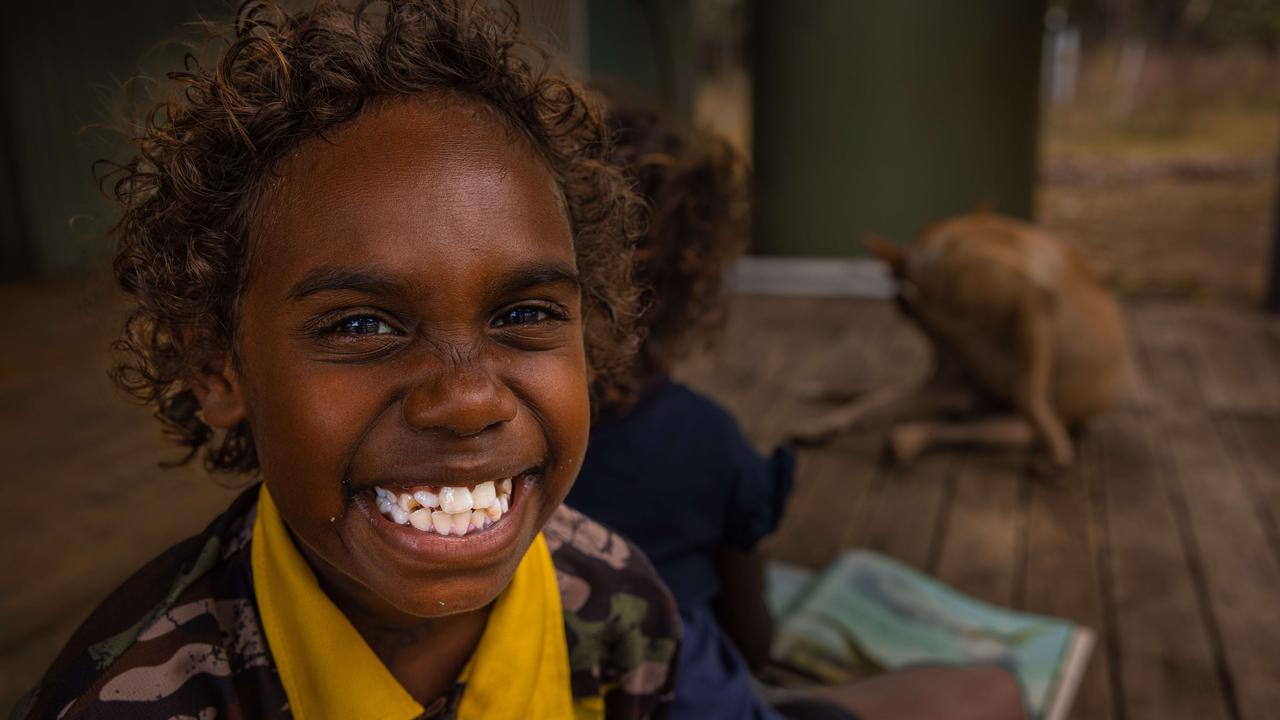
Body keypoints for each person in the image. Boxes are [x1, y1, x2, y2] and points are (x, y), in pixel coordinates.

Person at [15, 2, 680, 718]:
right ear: (217, 368)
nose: (469, 400)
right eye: (362, 325)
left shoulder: (620, 609)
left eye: (524, 315)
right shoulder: (121, 699)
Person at [565, 105, 1026, 720]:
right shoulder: (705, 441)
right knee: (992, 690)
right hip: (694, 703)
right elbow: (756, 644)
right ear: (697, 282)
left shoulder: (511, 449)